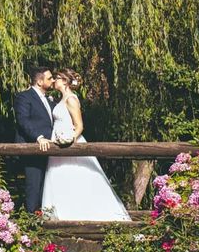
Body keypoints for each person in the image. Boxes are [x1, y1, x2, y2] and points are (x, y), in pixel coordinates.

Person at [41, 69, 131, 221]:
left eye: (57, 78)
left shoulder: (71, 99)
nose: (54, 81)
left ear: (64, 81)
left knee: (78, 178)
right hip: (58, 146)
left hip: (70, 145)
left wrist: (69, 140)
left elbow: (79, 125)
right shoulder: (61, 100)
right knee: (63, 180)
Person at [14, 67, 56, 213]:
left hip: (50, 149)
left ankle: (46, 217)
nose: (53, 80)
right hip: (33, 148)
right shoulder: (24, 97)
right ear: (39, 81)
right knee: (34, 184)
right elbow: (23, 120)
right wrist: (39, 138)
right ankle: (32, 222)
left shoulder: (50, 100)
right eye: (50, 78)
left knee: (46, 185)